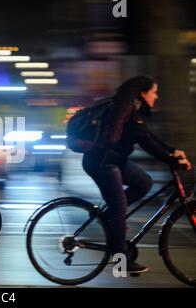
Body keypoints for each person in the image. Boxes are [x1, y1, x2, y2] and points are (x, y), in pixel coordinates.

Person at [82, 75, 192, 273]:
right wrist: (172, 160)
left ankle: (109, 217)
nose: (156, 97)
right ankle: (121, 262)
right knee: (119, 208)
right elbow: (146, 143)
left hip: (113, 160)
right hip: (102, 163)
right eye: (154, 92)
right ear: (143, 93)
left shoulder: (132, 111)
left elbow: (148, 136)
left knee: (144, 183)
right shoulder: (128, 112)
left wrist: (171, 150)